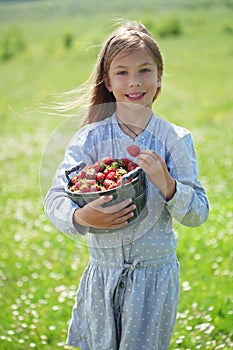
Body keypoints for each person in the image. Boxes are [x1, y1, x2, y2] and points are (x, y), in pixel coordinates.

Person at [44, 20, 209, 350]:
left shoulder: (174, 140)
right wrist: (82, 218)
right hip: (102, 275)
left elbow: (198, 214)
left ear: (159, 75)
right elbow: (55, 197)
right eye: (121, 72)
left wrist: (169, 185)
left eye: (145, 70)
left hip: (153, 279)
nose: (134, 82)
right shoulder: (91, 138)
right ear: (107, 80)